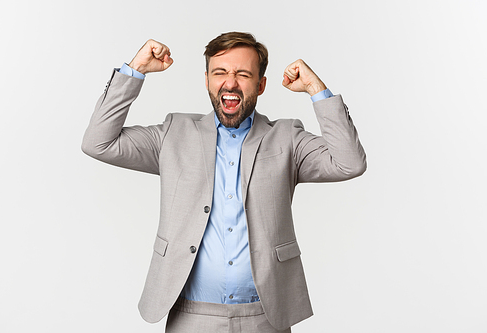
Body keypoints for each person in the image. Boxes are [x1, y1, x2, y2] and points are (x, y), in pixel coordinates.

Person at [82, 32, 366, 333]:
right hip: (190, 316)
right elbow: (98, 143)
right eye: (220, 73)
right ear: (207, 80)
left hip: (265, 315)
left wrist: (315, 88)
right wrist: (135, 69)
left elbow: (350, 162)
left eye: (242, 74)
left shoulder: (287, 138)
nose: (230, 83)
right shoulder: (172, 134)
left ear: (261, 85)